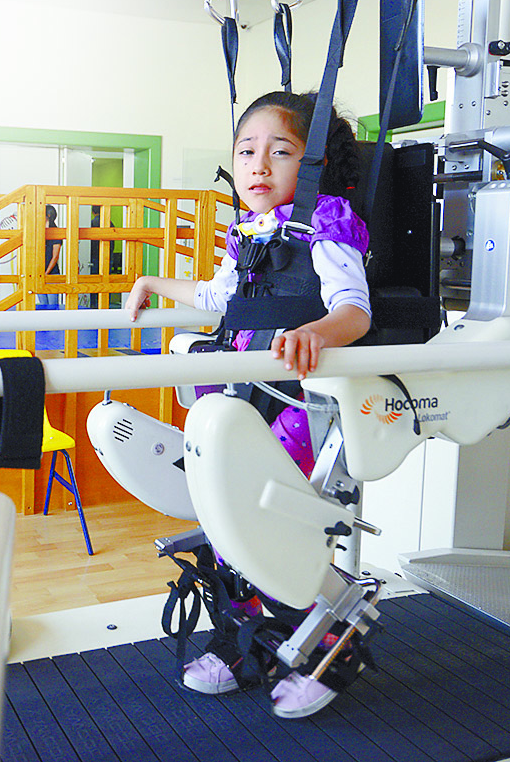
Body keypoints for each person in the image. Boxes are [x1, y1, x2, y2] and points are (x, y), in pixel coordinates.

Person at [124, 90, 371, 718]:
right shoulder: (247, 233)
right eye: (246, 151)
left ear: (311, 166)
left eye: (280, 152)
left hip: (300, 399)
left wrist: (315, 333)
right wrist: (153, 282)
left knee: (265, 518)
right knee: (222, 518)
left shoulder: (326, 222)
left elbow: (354, 310)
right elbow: (216, 297)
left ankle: (330, 644)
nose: (258, 165)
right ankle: (243, 642)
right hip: (245, 391)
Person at [39, 204, 63, 309]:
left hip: (52, 274)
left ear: (48, 216)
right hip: (40, 274)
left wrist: (46, 273)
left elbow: (55, 257)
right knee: (43, 306)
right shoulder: (39, 232)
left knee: (52, 307)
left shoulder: (56, 232)